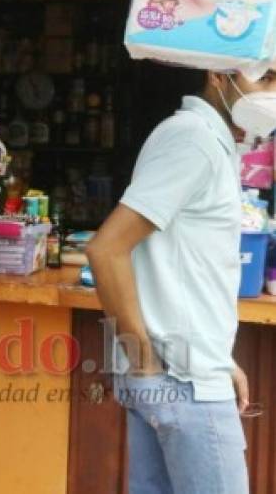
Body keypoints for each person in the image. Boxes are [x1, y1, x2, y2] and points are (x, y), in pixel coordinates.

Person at [86, 67, 276, 494]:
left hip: (184, 374)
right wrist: (146, 366)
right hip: (181, 382)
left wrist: (219, 361)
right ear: (219, 75)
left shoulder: (209, 140)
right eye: (264, 78)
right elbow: (107, 250)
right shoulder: (194, 141)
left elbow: (185, 268)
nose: (272, 93)